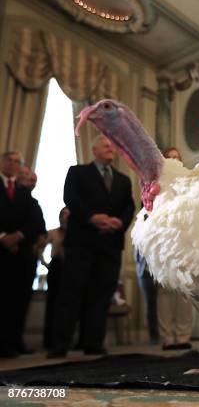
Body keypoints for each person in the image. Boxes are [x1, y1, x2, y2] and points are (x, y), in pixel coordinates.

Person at [48, 135, 135, 358]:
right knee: (71, 294)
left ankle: (93, 342)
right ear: (94, 149)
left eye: (113, 147)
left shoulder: (123, 180)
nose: (111, 149)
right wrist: (92, 218)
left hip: (110, 244)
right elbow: (71, 199)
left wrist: (119, 222)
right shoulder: (77, 172)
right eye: (106, 146)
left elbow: (129, 207)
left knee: (101, 295)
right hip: (82, 243)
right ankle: (60, 345)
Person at [0, 151, 37, 358]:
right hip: (1, 253)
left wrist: (19, 236)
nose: (13, 164)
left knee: (19, 301)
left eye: (17, 161)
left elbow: (34, 222)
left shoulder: (24, 191)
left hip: (21, 254)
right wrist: (3, 236)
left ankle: (15, 340)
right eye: (9, 160)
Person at [156, 147, 193, 350]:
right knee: (166, 290)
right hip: (163, 240)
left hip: (186, 239)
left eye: (178, 158)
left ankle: (183, 335)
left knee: (186, 289)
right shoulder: (155, 184)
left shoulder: (189, 182)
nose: (174, 161)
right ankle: (168, 336)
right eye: (170, 158)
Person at [15, 166, 47, 354]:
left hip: (29, 258)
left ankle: (17, 340)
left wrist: (40, 240)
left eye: (34, 180)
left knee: (22, 302)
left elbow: (40, 229)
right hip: (12, 255)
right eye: (28, 177)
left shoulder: (34, 203)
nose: (32, 182)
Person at [42, 207, 69, 349]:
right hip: (56, 266)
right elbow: (40, 248)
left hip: (69, 268)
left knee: (65, 304)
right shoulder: (53, 232)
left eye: (68, 214)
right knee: (52, 302)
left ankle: (64, 339)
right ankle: (49, 340)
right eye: (63, 214)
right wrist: (46, 264)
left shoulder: (75, 233)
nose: (65, 217)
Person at [135, 245, 159, 345]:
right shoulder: (140, 236)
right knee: (151, 305)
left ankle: (166, 335)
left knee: (163, 304)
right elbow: (137, 257)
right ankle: (154, 336)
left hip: (159, 274)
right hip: (145, 274)